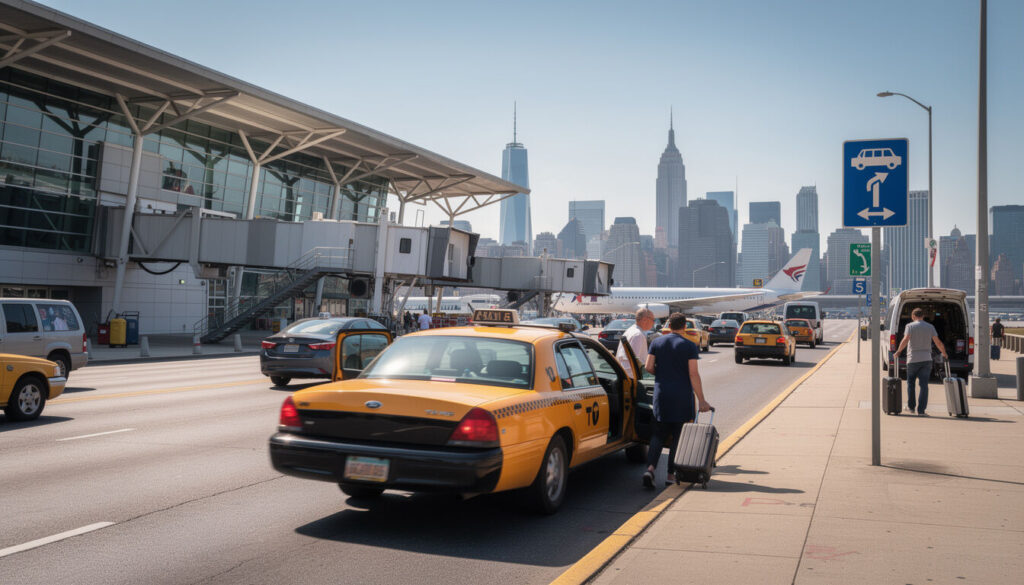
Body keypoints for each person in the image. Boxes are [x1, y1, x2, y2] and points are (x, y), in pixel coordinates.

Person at [641, 312, 713, 488]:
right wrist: (702, 400)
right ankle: (670, 474)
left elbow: (648, 366)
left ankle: (650, 469)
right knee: (677, 437)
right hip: (681, 396)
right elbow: (693, 373)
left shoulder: (657, 342)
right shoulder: (689, 346)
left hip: (662, 394)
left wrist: (664, 375)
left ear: (668, 325)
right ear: (685, 326)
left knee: (658, 434)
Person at [894, 307, 948, 416]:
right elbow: (937, 342)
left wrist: (898, 351)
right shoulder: (930, 327)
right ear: (923, 316)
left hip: (913, 359)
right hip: (926, 359)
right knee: (924, 385)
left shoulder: (909, 326)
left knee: (911, 384)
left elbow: (905, 340)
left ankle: (911, 407)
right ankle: (921, 410)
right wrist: (944, 353)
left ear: (913, 316)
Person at [616, 308, 655, 377]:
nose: (653, 323)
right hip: (632, 377)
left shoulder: (631, 330)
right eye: (653, 319)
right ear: (645, 319)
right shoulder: (638, 335)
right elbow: (632, 362)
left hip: (626, 375)